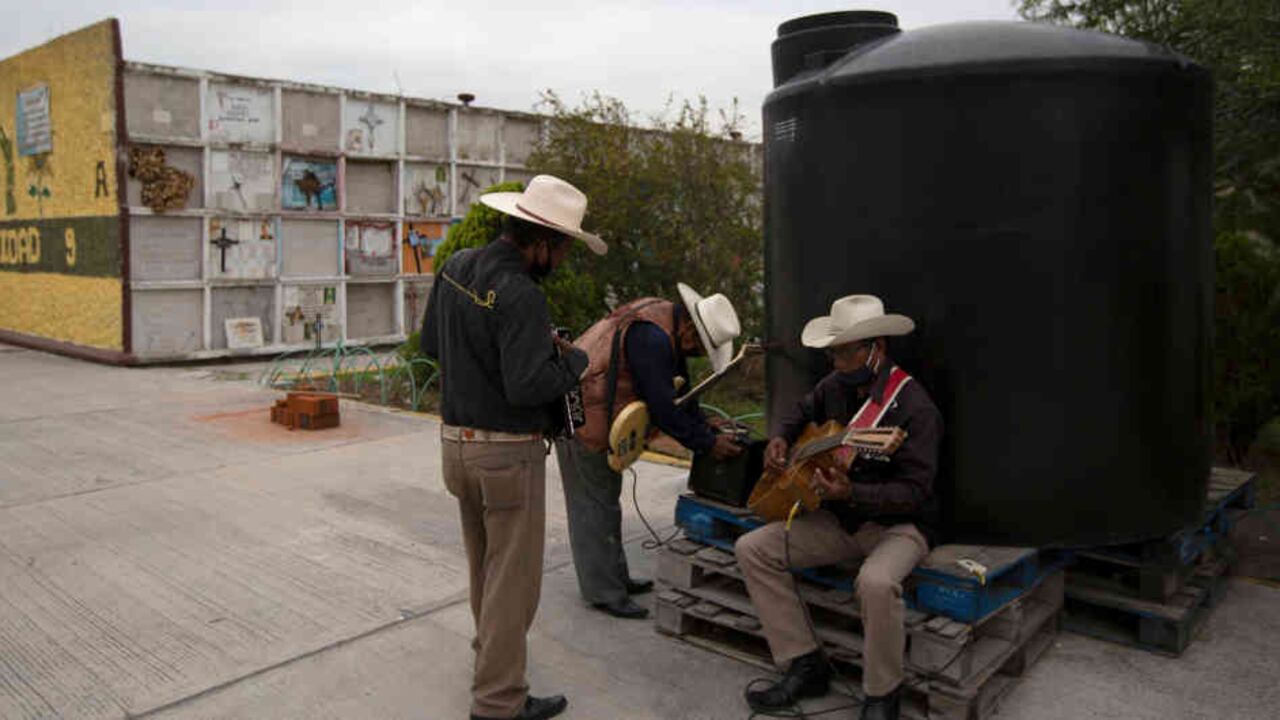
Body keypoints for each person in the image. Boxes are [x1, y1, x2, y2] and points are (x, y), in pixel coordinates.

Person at [420, 175, 606, 720]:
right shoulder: (523, 294)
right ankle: (498, 701)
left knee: (485, 571)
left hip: (456, 445)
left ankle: (491, 666)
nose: (565, 258)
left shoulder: (456, 269)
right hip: (507, 454)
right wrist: (573, 361)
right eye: (565, 246)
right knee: (514, 584)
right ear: (542, 240)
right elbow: (527, 386)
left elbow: (434, 344)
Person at [735, 295, 942, 720]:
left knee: (877, 583)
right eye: (833, 352)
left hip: (899, 526)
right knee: (753, 548)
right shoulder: (835, 387)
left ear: (876, 350)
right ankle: (805, 662)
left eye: (844, 353)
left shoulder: (916, 408)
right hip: (842, 518)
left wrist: (852, 494)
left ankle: (882, 695)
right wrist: (779, 438)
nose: (835, 362)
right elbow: (799, 413)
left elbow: (917, 492)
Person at [554, 283, 745, 619]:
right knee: (592, 506)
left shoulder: (665, 320)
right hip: (582, 416)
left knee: (605, 501)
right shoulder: (653, 338)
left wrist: (704, 424)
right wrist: (707, 442)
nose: (698, 354)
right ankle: (604, 592)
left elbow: (681, 389)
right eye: (701, 347)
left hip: (598, 411)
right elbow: (664, 409)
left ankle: (615, 579)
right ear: (690, 329)